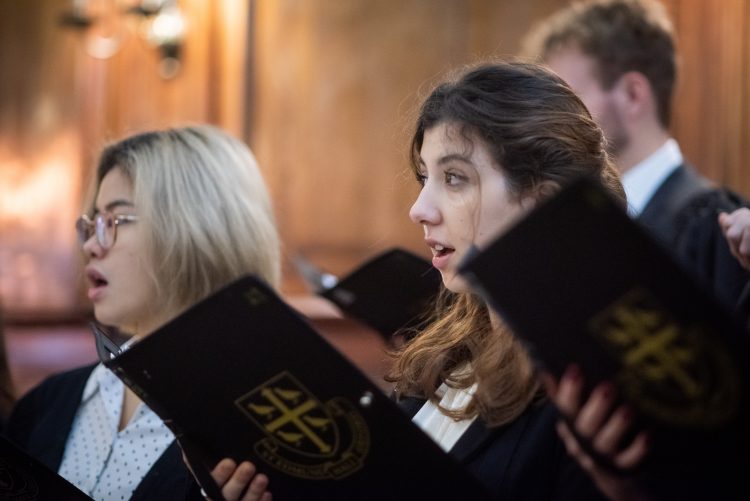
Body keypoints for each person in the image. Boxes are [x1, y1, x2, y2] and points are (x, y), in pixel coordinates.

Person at [208, 61, 618, 500]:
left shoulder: (594, 392)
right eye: (425, 177)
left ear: (542, 200)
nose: (420, 208)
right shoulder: (446, 357)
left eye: (454, 178)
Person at [4, 125, 281, 501]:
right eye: (92, 224)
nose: (91, 246)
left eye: (114, 222)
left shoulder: (268, 431)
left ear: (197, 228)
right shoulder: (47, 402)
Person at [523, 0, 750, 318]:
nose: (549, 122)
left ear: (632, 94)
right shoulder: (578, 226)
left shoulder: (713, 227)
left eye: (567, 99)